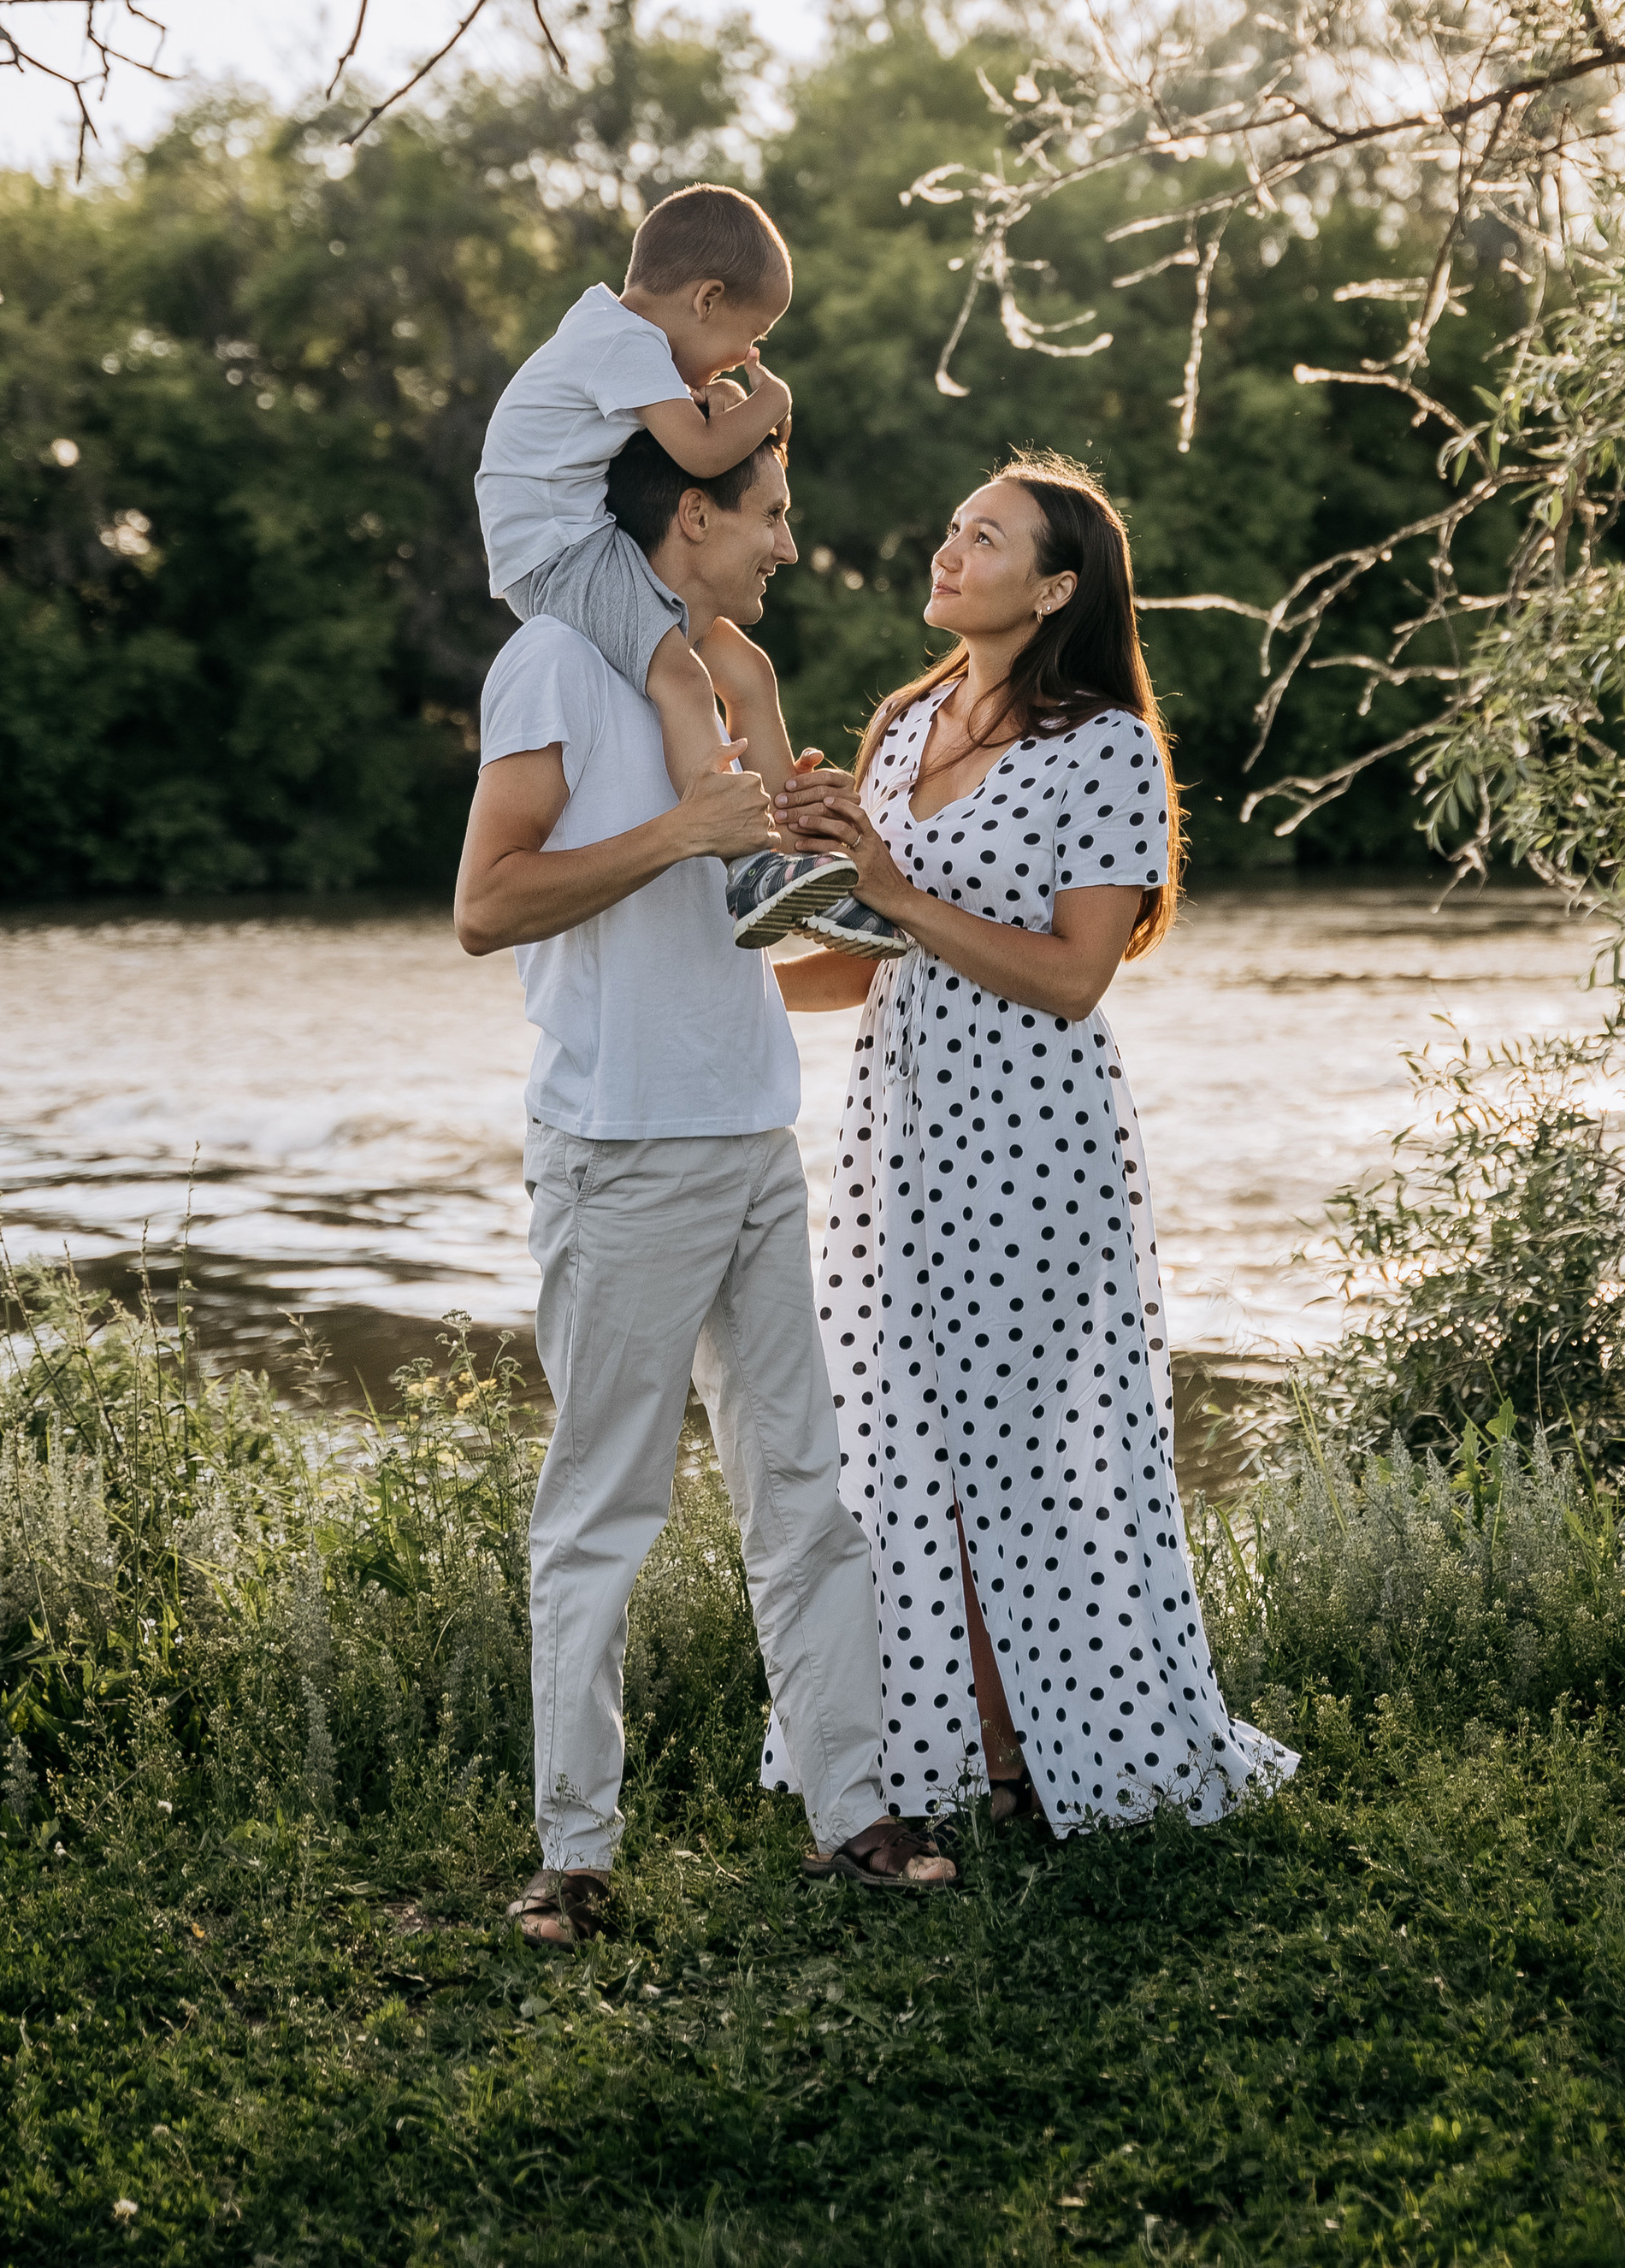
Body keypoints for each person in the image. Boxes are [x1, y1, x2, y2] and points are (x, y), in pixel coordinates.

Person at [454, 418, 954, 1938]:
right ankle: (576, 1856)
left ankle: (851, 1811)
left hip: (753, 1137)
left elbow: (757, 956)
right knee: (603, 1509)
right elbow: (487, 904)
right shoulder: (555, 661)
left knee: (807, 1493)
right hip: (621, 1155)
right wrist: (689, 829)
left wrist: (831, 866)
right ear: (689, 514)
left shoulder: (732, 669)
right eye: (771, 513)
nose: (789, 543)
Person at [764, 452, 1296, 1838]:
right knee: (901, 1446)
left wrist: (884, 886)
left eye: (986, 538)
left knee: (1019, 1453)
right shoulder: (903, 726)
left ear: (1055, 587)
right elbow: (868, 959)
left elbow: (1072, 976)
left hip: (1032, 1146)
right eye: (953, 528)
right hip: (897, 1140)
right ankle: (951, 1754)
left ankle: (1038, 1764)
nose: (951, 551)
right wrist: (714, 989)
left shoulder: (1103, 747)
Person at [472, 178, 889, 954]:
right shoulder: (621, 342)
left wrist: (726, 391)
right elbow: (700, 453)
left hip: (577, 534)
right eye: (750, 333)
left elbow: (691, 431)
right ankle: (746, 866)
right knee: (683, 677)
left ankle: (797, 858)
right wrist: (773, 400)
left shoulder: (613, 338)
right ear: (705, 299)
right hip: (557, 553)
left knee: (749, 671)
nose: (751, 355)